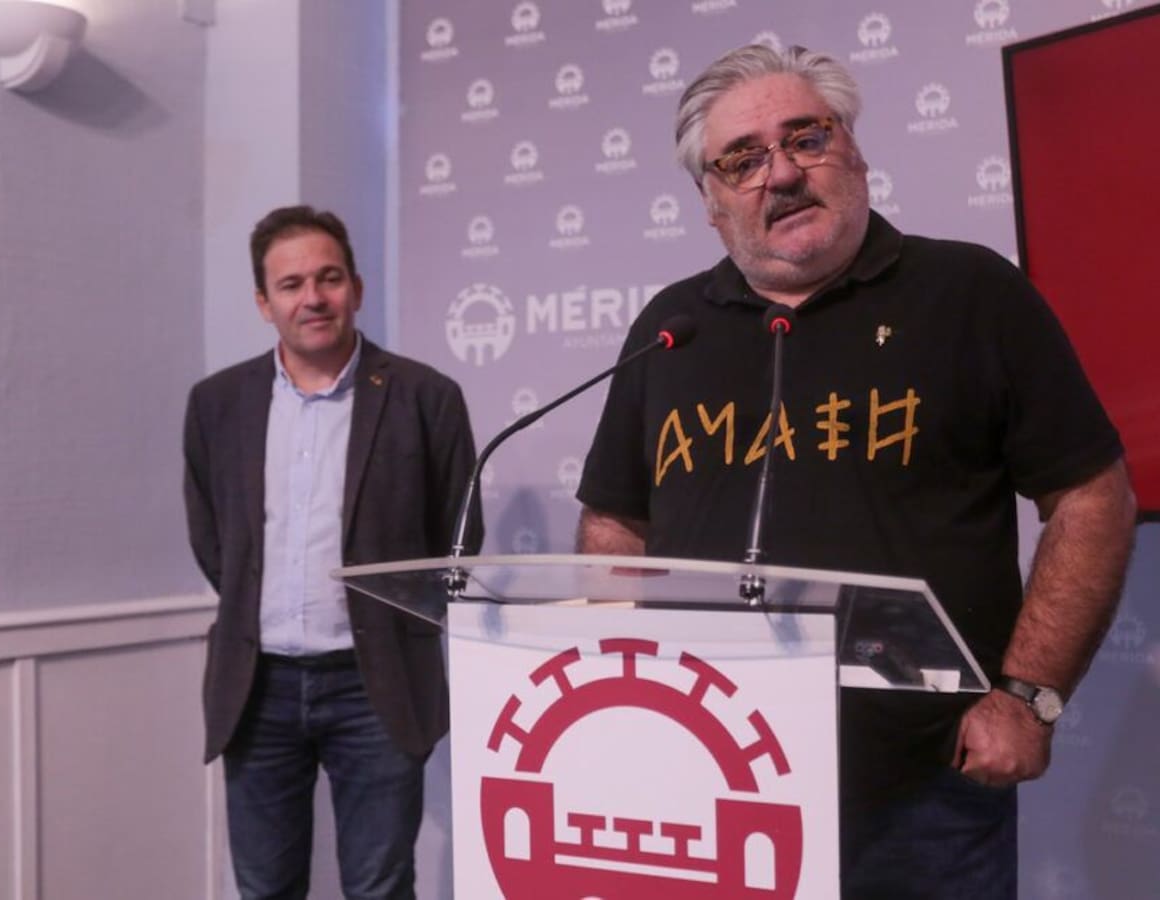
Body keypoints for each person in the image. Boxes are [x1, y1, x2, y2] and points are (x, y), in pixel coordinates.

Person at [576, 44, 1136, 898]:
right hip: (710, 773)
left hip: (922, 788)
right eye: (742, 159)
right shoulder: (671, 328)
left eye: (806, 138)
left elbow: (1091, 496)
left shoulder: (970, 292)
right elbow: (616, 524)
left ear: (855, 152)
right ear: (710, 203)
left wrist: (1028, 697)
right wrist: (626, 696)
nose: (781, 173)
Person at [183, 205, 480, 899]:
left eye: (329, 278)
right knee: (264, 887)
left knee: (379, 886)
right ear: (264, 303)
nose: (312, 298)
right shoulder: (216, 403)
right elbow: (213, 538)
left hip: (376, 686)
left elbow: (457, 538)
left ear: (356, 288)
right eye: (290, 285)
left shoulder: (426, 397)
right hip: (256, 686)